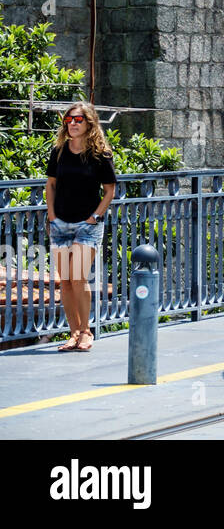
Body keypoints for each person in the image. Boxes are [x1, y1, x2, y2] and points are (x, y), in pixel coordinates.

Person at [44, 102, 117, 352]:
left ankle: (86, 331)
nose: (72, 124)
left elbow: (110, 191)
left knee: (78, 278)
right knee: (65, 281)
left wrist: (95, 217)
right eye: (68, 120)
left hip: (88, 224)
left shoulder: (100, 154)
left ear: (89, 123)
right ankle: (73, 333)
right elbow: (50, 184)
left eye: (77, 120)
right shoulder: (60, 151)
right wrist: (52, 215)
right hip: (60, 223)